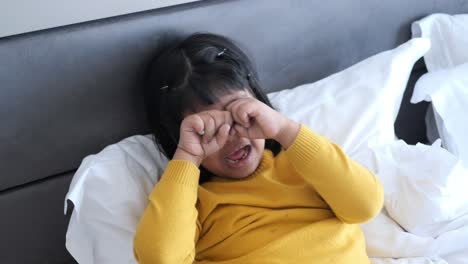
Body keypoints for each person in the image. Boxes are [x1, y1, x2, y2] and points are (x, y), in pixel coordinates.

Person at [133, 32, 384, 264]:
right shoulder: (193, 203)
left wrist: (285, 130)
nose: (230, 136)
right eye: (207, 129)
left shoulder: (307, 163)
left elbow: (365, 205)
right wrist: (187, 156)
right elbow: (159, 258)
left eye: (239, 111)